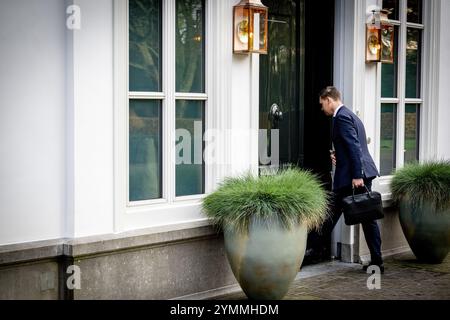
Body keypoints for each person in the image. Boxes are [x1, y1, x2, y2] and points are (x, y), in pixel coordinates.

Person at [319, 86, 384, 273]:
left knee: (330, 215)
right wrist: (338, 155)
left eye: (322, 104)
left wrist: (357, 175)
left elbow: (355, 147)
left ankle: (309, 250)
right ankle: (377, 262)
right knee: (368, 219)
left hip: (353, 178)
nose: (322, 108)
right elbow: (351, 146)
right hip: (357, 174)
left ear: (329, 100)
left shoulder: (341, 117)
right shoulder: (351, 115)